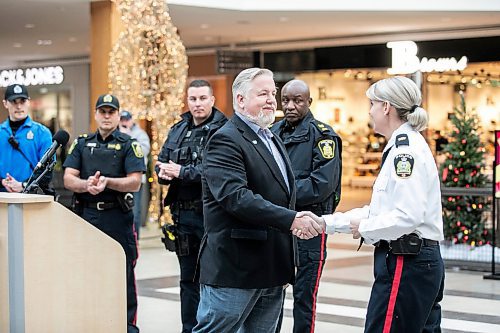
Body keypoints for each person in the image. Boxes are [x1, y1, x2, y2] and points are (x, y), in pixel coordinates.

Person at [193, 68, 324, 333]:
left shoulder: (270, 137)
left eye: (272, 93)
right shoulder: (225, 140)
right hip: (236, 269)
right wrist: (291, 219)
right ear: (240, 100)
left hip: (272, 267)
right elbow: (236, 198)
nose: (271, 100)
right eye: (262, 93)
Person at [313, 76, 445, 333]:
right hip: (414, 261)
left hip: (406, 262)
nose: (370, 111)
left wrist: (365, 228)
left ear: (386, 107)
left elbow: (407, 217)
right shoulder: (401, 147)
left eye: (372, 104)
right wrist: (326, 222)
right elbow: (381, 211)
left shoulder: (405, 152)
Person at [63, 94, 145, 333]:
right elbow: (69, 178)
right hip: (88, 217)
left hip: (117, 218)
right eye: (103, 112)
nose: (107, 116)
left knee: (123, 274)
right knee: (87, 272)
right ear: (96, 114)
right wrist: (86, 185)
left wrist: (107, 182)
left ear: (118, 115)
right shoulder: (81, 143)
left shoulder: (129, 145)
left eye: (111, 112)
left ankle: (127, 326)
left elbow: (135, 182)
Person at [156, 79, 227, 333]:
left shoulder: (224, 130)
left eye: (202, 99)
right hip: (183, 216)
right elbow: (162, 160)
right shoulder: (178, 129)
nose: (197, 104)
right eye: (193, 99)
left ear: (212, 100)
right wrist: (163, 172)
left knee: (214, 279)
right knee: (188, 279)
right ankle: (190, 329)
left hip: (212, 217)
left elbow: (219, 171)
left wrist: (183, 172)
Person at [271, 79, 342, 333]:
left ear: (309, 102)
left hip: (309, 227)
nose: (290, 106)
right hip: (278, 223)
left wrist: (277, 193)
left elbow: (322, 184)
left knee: (304, 296)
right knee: (271, 294)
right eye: (286, 100)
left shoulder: (323, 136)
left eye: (297, 100)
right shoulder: (272, 132)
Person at [1, 84, 53, 193]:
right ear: (5, 103)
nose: (19, 106)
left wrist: (23, 185)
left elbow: (47, 171)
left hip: (31, 196)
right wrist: (3, 182)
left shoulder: (42, 133)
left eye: (22, 101)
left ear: (28, 102)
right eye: (14, 102)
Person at [120, 110, 151, 240]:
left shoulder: (140, 134)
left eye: (126, 119)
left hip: (136, 179)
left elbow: (143, 151)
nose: (124, 122)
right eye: (122, 119)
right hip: (120, 179)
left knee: (135, 212)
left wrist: (129, 138)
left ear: (131, 120)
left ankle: (135, 239)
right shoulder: (116, 133)